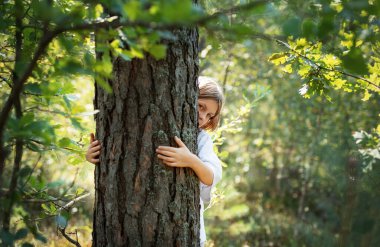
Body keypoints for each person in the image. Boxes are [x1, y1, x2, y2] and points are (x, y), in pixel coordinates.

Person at [85, 76, 224, 246]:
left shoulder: (201, 139)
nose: (203, 117)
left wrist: (191, 160)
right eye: (201, 106)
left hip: (186, 231)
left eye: (209, 115)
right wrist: (94, 155)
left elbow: (211, 176)